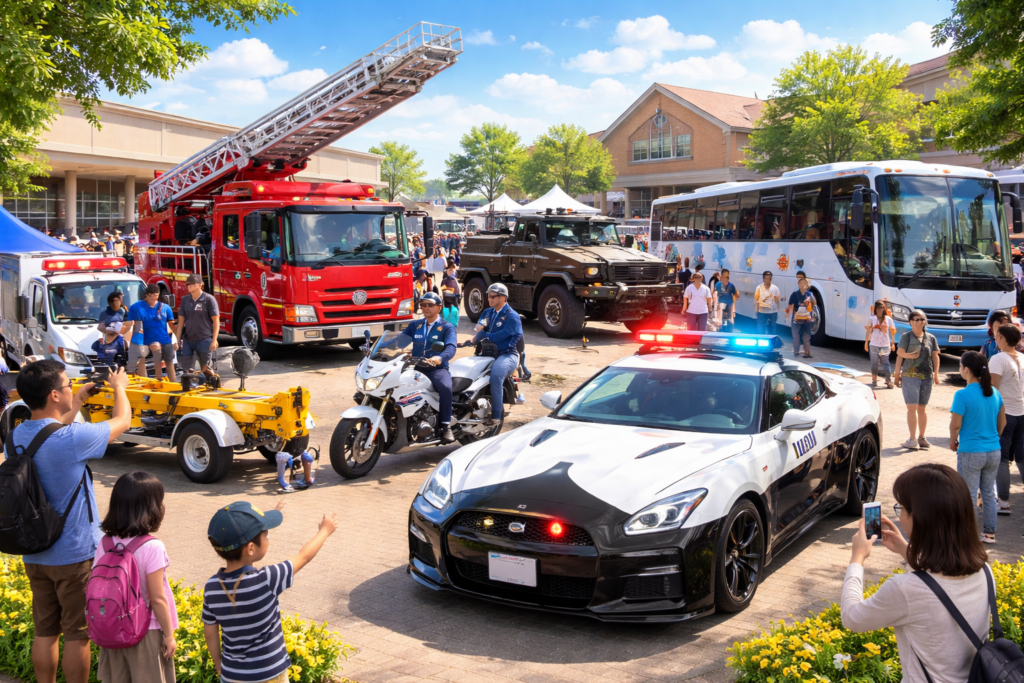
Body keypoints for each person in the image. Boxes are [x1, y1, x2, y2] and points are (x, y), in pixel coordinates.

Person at [13, 360, 131, 683]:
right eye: (66, 385)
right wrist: (120, 387)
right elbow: (123, 420)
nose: (69, 387)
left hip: (34, 553)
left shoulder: (17, 435)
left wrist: (76, 401)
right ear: (53, 395)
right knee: (78, 633)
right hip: (73, 554)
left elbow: (47, 435)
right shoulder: (73, 438)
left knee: (45, 630)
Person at [841, 463, 995, 683]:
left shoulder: (905, 589)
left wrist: (857, 559)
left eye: (902, 508)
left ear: (919, 517)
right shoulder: (985, 572)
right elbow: (941, 583)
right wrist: (906, 549)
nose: (900, 515)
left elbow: (852, 618)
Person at [202, 502, 337, 683]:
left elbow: (210, 632)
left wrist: (218, 662)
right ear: (250, 548)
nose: (268, 538)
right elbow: (304, 556)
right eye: (266, 535)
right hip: (270, 675)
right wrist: (324, 531)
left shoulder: (211, 587)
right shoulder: (267, 580)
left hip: (232, 675)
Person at [93, 472, 177, 682]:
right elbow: (157, 599)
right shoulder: (152, 547)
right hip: (146, 631)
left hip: (113, 629)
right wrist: (168, 635)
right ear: (151, 508)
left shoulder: (105, 543)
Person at [951, 351, 1005, 543]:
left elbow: (956, 424)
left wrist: (952, 441)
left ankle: (969, 537)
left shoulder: (962, 394)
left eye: (960, 367)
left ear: (966, 370)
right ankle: (989, 534)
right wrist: (993, 439)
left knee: (969, 495)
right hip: (993, 451)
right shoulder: (995, 392)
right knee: (989, 493)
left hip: (971, 452)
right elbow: (1002, 423)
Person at [395, 292, 457, 443]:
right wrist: (377, 348)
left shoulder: (447, 327)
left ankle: (446, 426)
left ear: (439, 307)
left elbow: (451, 348)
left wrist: (439, 358)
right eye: (423, 305)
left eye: (430, 305)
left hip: (436, 369)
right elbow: (399, 342)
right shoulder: (416, 325)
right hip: (416, 368)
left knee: (445, 387)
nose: (426, 308)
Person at [462, 283, 522, 427]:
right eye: (488, 296)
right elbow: (480, 326)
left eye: (493, 296)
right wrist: (474, 336)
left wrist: (486, 335)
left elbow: (503, 335)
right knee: (466, 370)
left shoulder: (512, 316)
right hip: (487, 352)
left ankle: (496, 416)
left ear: (503, 297)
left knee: (495, 375)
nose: (489, 299)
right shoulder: (488, 312)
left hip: (507, 354)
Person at [894, 310, 941, 450]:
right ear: (910, 322)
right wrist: (897, 374)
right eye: (916, 319)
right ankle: (912, 439)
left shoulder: (931, 338)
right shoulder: (906, 337)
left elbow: (935, 356)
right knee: (912, 407)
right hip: (910, 376)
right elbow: (899, 354)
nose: (919, 321)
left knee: (922, 408)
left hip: (927, 377)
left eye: (922, 319)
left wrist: (936, 374)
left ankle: (921, 437)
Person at [991, 323, 1024, 516]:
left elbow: (993, 389)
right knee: (1021, 458)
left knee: (1002, 459)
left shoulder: (998, 359)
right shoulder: (1022, 357)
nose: (995, 339)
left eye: (997, 336)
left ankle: (1003, 501)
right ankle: (1003, 500)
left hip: (1005, 414)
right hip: (1021, 413)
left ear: (1003, 338)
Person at [122, 285, 176, 382]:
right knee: (141, 359)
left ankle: (172, 383)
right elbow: (129, 325)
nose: (155, 298)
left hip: (162, 339)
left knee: (169, 362)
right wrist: (121, 335)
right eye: (153, 295)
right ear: (147, 295)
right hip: (142, 338)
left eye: (157, 295)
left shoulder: (165, 308)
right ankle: (145, 382)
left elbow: (171, 325)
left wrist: (177, 338)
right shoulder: (136, 307)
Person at [174, 274, 220, 374]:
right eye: (187, 285)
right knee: (187, 370)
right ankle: (189, 387)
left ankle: (210, 385)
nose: (188, 286)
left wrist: (214, 340)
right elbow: (181, 320)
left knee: (206, 369)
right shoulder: (185, 300)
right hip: (188, 340)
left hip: (204, 340)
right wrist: (177, 339)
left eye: (191, 284)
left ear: (200, 285)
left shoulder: (209, 299)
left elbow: (216, 320)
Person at [864, 300, 897, 389]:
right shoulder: (871, 319)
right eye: (879, 307)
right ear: (876, 309)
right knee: (874, 363)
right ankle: (874, 379)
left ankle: (888, 381)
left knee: (885, 363)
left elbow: (893, 330)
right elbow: (867, 331)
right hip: (874, 344)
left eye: (882, 307)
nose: (880, 309)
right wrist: (866, 342)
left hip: (885, 344)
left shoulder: (888, 319)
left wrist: (893, 342)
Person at [785, 278, 816, 358]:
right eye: (801, 283)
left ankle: (807, 352)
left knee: (806, 336)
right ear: (798, 285)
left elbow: (814, 306)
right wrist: (788, 317)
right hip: (796, 319)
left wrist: (812, 316)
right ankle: (796, 351)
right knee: (796, 336)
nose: (802, 285)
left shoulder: (810, 295)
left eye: (804, 283)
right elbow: (790, 306)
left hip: (807, 319)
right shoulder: (794, 294)